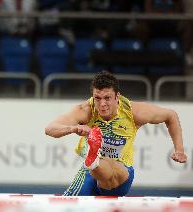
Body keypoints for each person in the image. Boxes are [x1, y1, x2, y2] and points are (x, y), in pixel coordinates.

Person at [45, 70, 187, 196]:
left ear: (117, 96)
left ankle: (95, 160)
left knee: (110, 169)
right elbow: (50, 128)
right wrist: (74, 128)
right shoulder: (85, 110)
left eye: (107, 98)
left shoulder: (133, 112)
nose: (102, 104)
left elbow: (171, 115)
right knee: (70, 207)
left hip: (120, 174)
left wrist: (179, 149)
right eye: (97, 98)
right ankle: (94, 161)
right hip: (91, 173)